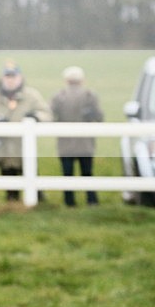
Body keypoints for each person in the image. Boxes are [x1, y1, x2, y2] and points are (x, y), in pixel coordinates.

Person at [0, 61, 52, 202]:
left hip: (24, 147)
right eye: (7, 77)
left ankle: (38, 204)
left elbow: (46, 113)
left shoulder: (32, 96)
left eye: (13, 76)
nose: (10, 80)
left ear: (20, 78)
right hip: (4, 150)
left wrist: (35, 117)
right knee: (9, 183)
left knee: (32, 179)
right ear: (2, 78)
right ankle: (12, 205)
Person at [51, 66, 104, 206]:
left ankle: (69, 202)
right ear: (82, 80)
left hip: (65, 143)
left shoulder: (59, 96)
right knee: (87, 172)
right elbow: (99, 117)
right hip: (85, 143)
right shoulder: (89, 95)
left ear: (66, 80)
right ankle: (91, 200)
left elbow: (51, 116)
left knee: (67, 174)